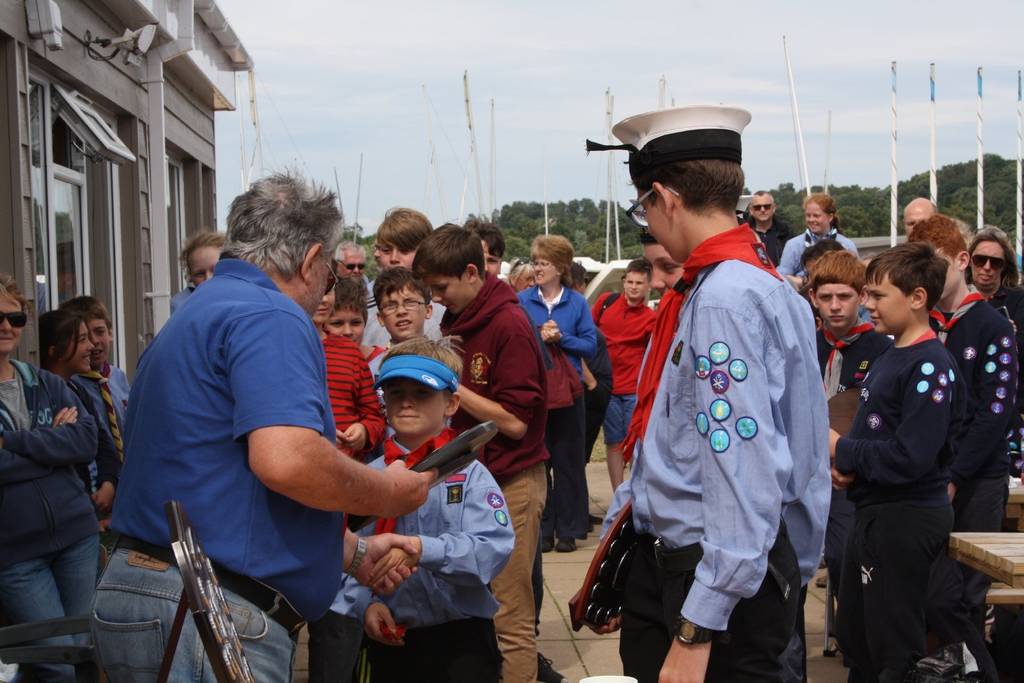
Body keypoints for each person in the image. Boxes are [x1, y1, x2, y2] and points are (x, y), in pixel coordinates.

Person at [90, 173, 433, 682]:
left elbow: (220, 480)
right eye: (330, 273)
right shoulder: (271, 314)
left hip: (150, 590)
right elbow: (287, 460)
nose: (326, 289)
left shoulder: (194, 314)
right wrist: (389, 493)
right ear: (311, 259)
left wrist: (354, 553)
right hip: (206, 609)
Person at [586, 105, 829, 682]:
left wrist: (697, 629)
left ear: (666, 198)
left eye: (643, 204)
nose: (648, 218)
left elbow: (740, 471)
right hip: (711, 564)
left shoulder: (722, 299)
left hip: (708, 578)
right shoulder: (756, 286)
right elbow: (803, 454)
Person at [413, 224, 550, 683]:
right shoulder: (461, 318)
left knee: (508, 616)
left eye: (440, 288)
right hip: (471, 482)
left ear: (472, 273)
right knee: (473, 615)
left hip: (512, 485)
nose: (435, 300)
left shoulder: (509, 323)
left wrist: (448, 382)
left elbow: (514, 422)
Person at [335, 338, 515, 683]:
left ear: (451, 403)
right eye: (394, 392)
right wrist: (364, 604)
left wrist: (421, 549)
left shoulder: (471, 475)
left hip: (462, 641)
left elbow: (491, 550)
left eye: (421, 393)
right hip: (393, 638)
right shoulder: (369, 478)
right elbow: (346, 551)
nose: (405, 402)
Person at [830, 242, 961, 682]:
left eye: (877, 295)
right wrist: (852, 468)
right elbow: (880, 434)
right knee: (859, 639)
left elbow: (911, 456)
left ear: (917, 298)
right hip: (873, 515)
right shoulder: (892, 354)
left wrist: (840, 449)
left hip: (904, 521)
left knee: (893, 649)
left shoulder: (930, 366)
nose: (867, 305)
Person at [909, 216, 1015, 682]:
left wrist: (955, 474)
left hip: (978, 478)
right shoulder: (922, 324)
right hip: (930, 479)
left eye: (935, 268)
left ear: (961, 261)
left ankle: (981, 675)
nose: (927, 280)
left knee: (967, 597)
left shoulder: (992, 324)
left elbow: (996, 410)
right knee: (933, 594)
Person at [0, 275, 100, 683]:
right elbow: (66, 446)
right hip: (16, 553)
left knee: (82, 653)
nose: (6, 326)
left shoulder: (45, 382)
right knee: (53, 664)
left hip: (77, 536)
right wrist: (52, 446)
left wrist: (13, 443)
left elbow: (86, 440)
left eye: (15, 317)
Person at [804, 251, 891, 680]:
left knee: (843, 557)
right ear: (813, 298)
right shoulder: (803, 342)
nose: (835, 305)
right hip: (801, 470)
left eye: (844, 296)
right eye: (826, 297)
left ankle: (854, 642)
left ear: (861, 296)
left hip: (849, 471)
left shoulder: (881, 347)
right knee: (790, 562)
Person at [519, 235, 597, 553]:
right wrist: (539, 336)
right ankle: (544, 529)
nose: (537, 268)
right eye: (535, 262)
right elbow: (518, 341)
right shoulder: (523, 299)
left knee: (569, 463)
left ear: (560, 267)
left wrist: (561, 337)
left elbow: (590, 345)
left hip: (569, 393)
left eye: (543, 263)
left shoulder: (577, 303)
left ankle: (569, 529)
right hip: (538, 392)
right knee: (540, 464)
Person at [38, 310, 121, 521]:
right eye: (82, 339)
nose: (91, 347)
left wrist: (109, 483)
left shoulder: (77, 388)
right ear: (55, 350)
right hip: (70, 515)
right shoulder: (41, 397)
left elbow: (101, 440)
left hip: (96, 508)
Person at [592, 258, 656, 490]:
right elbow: (590, 336)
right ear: (623, 281)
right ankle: (618, 492)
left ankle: (635, 492)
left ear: (648, 285)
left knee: (636, 443)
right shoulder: (605, 303)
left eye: (639, 282)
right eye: (629, 281)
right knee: (613, 442)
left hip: (633, 391)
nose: (633, 286)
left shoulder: (651, 318)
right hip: (608, 388)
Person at [61, 296, 130, 487]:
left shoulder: (118, 378)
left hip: (129, 483)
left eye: (99, 332)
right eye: (84, 337)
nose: (93, 343)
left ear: (110, 333)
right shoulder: (72, 386)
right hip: (99, 486)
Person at [364, 209, 446, 346]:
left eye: (404, 250)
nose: (394, 258)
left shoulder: (444, 304)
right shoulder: (363, 302)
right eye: (386, 250)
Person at [778, 193, 858, 288]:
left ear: (830, 217)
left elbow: (856, 277)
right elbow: (781, 277)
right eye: (808, 215)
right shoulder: (794, 245)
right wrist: (804, 281)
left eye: (816, 216)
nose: (811, 220)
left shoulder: (846, 245)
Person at [371, 268, 434, 375]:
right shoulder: (373, 370)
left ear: (428, 311)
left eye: (410, 303)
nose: (401, 311)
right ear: (380, 318)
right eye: (391, 306)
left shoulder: (443, 361)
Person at [325, 277, 387, 364]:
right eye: (337, 323)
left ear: (365, 322)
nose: (348, 332)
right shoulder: (317, 364)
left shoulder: (382, 362)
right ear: (322, 326)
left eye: (355, 323)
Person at [169, 231, 225, 314]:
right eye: (200, 274)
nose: (208, 278)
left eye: (215, 269)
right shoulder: (182, 304)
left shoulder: (242, 296)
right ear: (190, 276)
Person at [744, 191, 791, 266]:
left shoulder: (786, 233)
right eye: (757, 207)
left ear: (774, 208)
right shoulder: (744, 235)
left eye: (767, 206)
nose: (762, 210)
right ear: (751, 210)